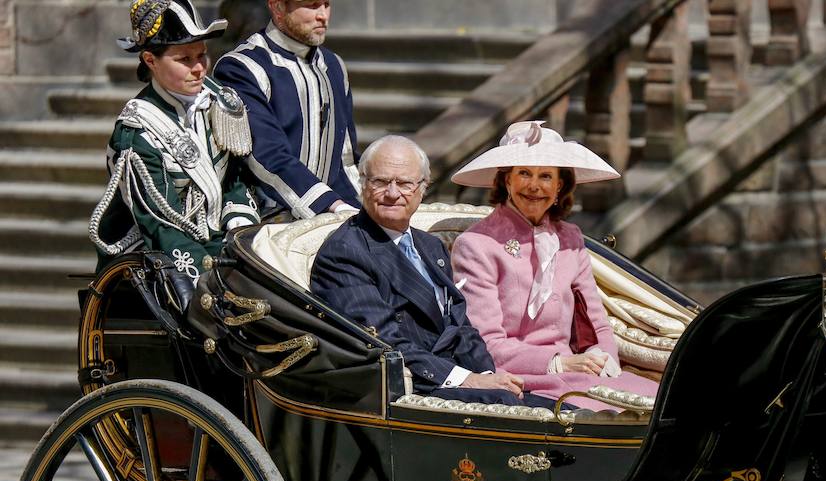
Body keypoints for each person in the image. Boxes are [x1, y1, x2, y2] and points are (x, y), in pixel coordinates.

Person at [310, 136, 559, 407]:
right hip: (410, 389)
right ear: (363, 184)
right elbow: (381, 341)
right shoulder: (346, 251)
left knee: (567, 407)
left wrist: (486, 373)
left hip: (458, 379)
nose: (392, 193)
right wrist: (468, 380)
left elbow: (460, 325)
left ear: (422, 189)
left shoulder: (430, 246)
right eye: (380, 182)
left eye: (404, 183)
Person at [450, 121, 659, 411]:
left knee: (665, 403)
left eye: (546, 176)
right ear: (506, 180)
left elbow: (596, 321)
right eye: (524, 173)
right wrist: (556, 363)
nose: (534, 186)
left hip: (579, 373)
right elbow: (486, 342)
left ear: (559, 186)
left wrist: (604, 360)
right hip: (521, 380)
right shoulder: (476, 244)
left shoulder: (570, 238)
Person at [89, 0, 260, 284]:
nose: (198, 68)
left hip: (222, 239)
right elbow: (160, 225)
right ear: (150, 61)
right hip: (160, 252)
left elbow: (235, 179)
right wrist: (211, 272)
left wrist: (240, 227)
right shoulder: (136, 131)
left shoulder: (219, 101)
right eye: (184, 59)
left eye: (202, 55)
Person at [213, 0, 361, 220]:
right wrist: (331, 204)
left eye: (326, 4)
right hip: (266, 216)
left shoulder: (334, 65)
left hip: (334, 213)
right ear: (278, 7)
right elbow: (266, 154)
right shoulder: (242, 66)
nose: (323, 15)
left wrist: (360, 205)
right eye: (312, 5)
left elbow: (346, 159)